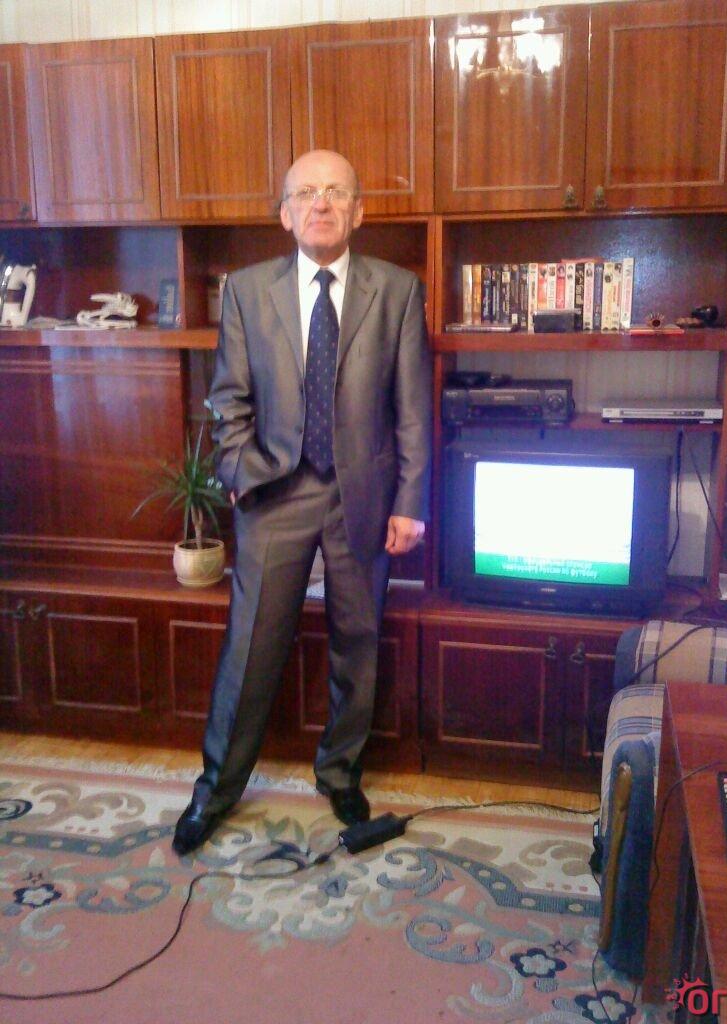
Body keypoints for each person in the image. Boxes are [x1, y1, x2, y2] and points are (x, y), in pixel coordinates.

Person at [173, 149, 432, 856]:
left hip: (364, 496)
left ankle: (340, 773)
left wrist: (410, 501)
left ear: (358, 210)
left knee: (357, 643)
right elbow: (228, 397)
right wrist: (237, 468)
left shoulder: (398, 291)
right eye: (307, 193)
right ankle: (215, 791)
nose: (321, 203)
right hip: (275, 491)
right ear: (285, 213)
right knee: (251, 647)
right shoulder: (246, 290)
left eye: (336, 192)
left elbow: (413, 407)